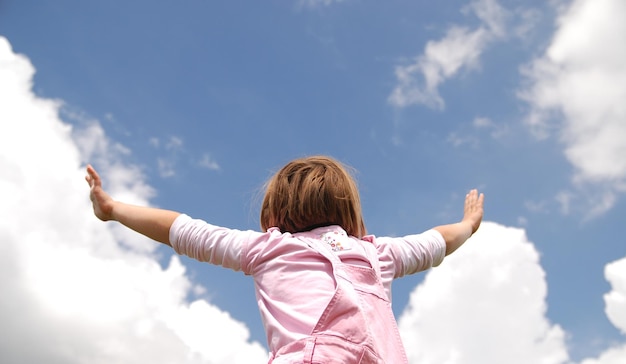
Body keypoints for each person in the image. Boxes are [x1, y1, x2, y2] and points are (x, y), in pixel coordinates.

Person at [85, 155, 484, 363]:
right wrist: (467, 225)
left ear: (271, 215)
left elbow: (181, 230)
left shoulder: (269, 249)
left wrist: (114, 208)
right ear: (350, 213)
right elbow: (437, 242)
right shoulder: (377, 254)